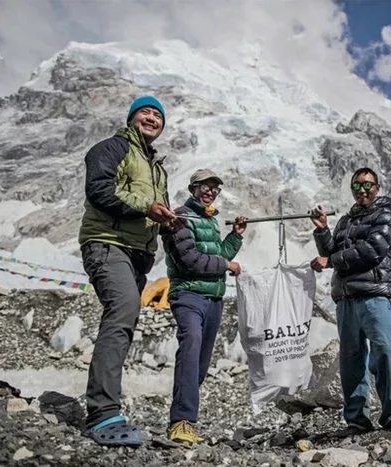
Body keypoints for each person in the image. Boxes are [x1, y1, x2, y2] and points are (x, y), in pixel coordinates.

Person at [78, 95, 177, 446]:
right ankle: (103, 414)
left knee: (123, 319)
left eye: (157, 115)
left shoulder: (156, 167)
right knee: (123, 311)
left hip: (137, 254)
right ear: (131, 118)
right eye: (145, 112)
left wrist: (168, 222)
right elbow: (100, 191)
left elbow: (152, 210)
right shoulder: (113, 147)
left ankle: (105, 406)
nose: (151, 118)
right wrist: (148, 207)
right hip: (107, 243)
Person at [310, 167, 391, 432]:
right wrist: (323, 231)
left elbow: (372, 250)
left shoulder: (386, 216)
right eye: (357, 186)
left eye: (367, 185)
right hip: (346, 298)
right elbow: (332, 252)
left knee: (386, 349)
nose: (362, 190)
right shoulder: (345, 221)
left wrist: (330, 260)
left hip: (375, 294)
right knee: (351, 359)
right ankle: (357, 419)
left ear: (377, 187)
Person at [162, 168, 247, 446]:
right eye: (204, 186)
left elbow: (217, 255)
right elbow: (191, 259)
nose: (210, 191)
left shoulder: (209, 221)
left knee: (200, 363)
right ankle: (182, 421)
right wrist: (226, 265)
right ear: (192, 189)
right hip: (188, 295)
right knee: (190, 348)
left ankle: (183, 416)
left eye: (214, 188)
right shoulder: (181, 218)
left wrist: (234, 236)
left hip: (213, 298)